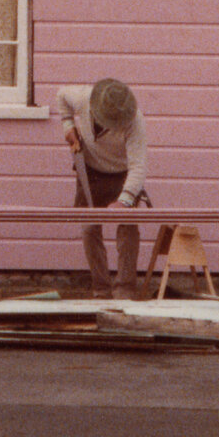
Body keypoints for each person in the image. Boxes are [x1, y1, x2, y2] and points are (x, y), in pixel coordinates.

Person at [53, 78, 148, 299]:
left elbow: (138, 166)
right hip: (89, 170)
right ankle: (101, 289)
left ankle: (125, 288)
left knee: (128, 228)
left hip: (122, 173)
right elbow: (61, 96)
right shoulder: (83, 96)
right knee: (89, 228)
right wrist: (67, 125)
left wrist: (124, 201)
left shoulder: (135, 120)